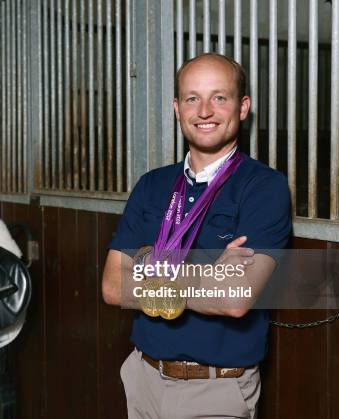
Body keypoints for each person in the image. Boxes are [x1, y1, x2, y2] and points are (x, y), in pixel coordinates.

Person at [101, 53, 292, 419]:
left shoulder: (264, 188)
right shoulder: (152, 185)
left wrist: (146, 266)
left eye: (219, 97)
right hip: (144, 378)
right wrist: (209, 275)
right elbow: (112, 285)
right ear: (177, 108)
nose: (204, 110)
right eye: (192, 98)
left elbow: (235, 299)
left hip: (216, 389)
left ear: (243, 107)